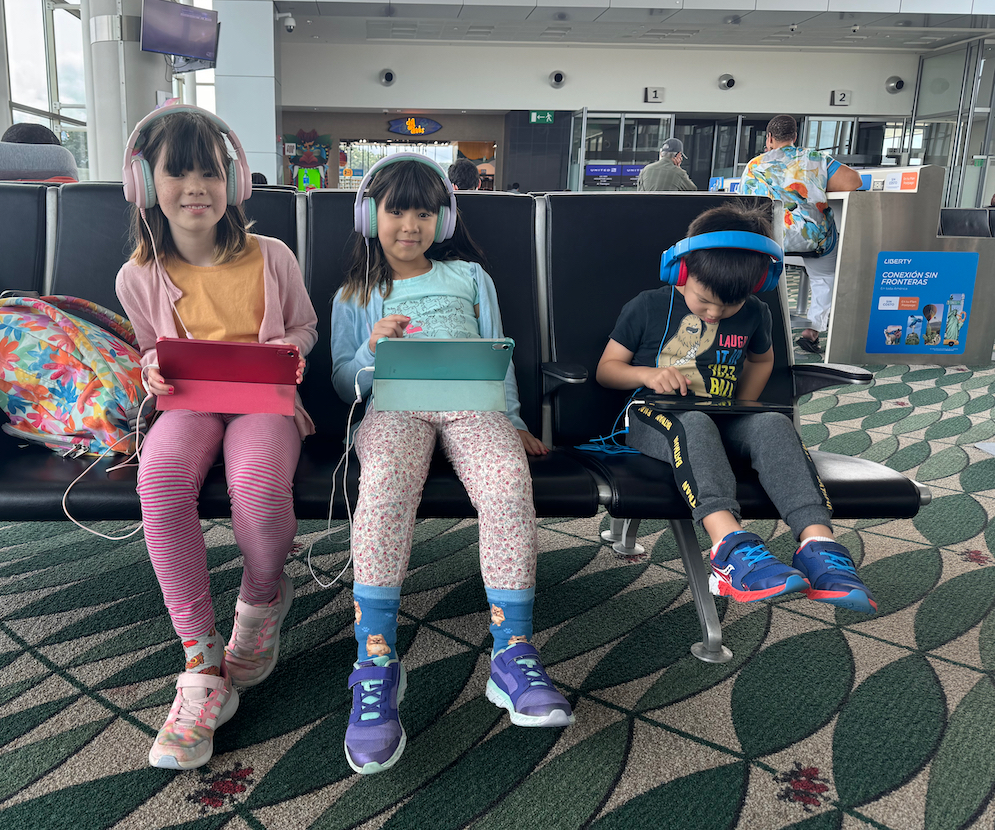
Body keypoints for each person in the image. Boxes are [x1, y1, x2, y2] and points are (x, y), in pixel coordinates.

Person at [330, 154, 570, 777]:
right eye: (396, 211)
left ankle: (512, 651)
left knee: (507, 482)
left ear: (443, 220)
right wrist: (371, 350)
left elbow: (498, 355)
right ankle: (376, 659)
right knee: (383, 485)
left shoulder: (469, 276)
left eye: (423, 213)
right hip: (394, 408)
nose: (410, 225)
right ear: (370, 217)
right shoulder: (355, 295)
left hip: (473, 405)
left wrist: (515, 420)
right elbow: (341, 382)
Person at [115, 103, 318, 771]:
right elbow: (151, 349)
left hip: (264, 401)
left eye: (210, 173)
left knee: (256, 482)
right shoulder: (138, 275)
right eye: (177, 174)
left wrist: (289, 351)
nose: (195, 188)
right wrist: (151, 366)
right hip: (191, 403)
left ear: (234, 181)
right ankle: (201, 662)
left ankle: (262, 597)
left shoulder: (272, 257)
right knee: (159, 480)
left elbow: (305, 327)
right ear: (145, 185)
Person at [595, 201, 876, 614]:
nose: (715, 314)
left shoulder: (755, 313)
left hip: (724, 417)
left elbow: (761, 360)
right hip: (653, 416)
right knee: (693, 423)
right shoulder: (648, 307)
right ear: (681, 272)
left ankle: (818, 544)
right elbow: (606, 370)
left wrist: (744, 406)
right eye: (704, 301)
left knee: (773, 424)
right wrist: (647, 375)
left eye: (729, 306)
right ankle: (729, 547)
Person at [741, 115, 861, 354]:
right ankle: (812, 330)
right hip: (814, 238)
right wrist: (815, 183)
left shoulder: (755, 165)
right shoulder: (815, 158)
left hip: (772, 238)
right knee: (825, 276)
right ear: (795, 137)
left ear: (769, 138)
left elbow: (746, 202)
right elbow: (853, 181)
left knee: (754, 267)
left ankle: (752, 326)